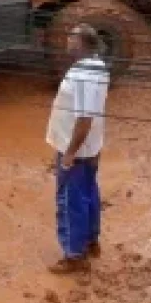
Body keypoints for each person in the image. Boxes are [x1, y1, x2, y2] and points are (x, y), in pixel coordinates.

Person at [47, 22, 110, 273]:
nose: (67, 41)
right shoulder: (98, 65)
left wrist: (70, 153)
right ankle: (91, 240)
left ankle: (74, 255)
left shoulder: (83, 75)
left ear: (81, 43)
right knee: (88, 193)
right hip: (91, 146)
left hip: (76, 147)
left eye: (71, 37)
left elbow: (84, 119)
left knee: (70, 200)